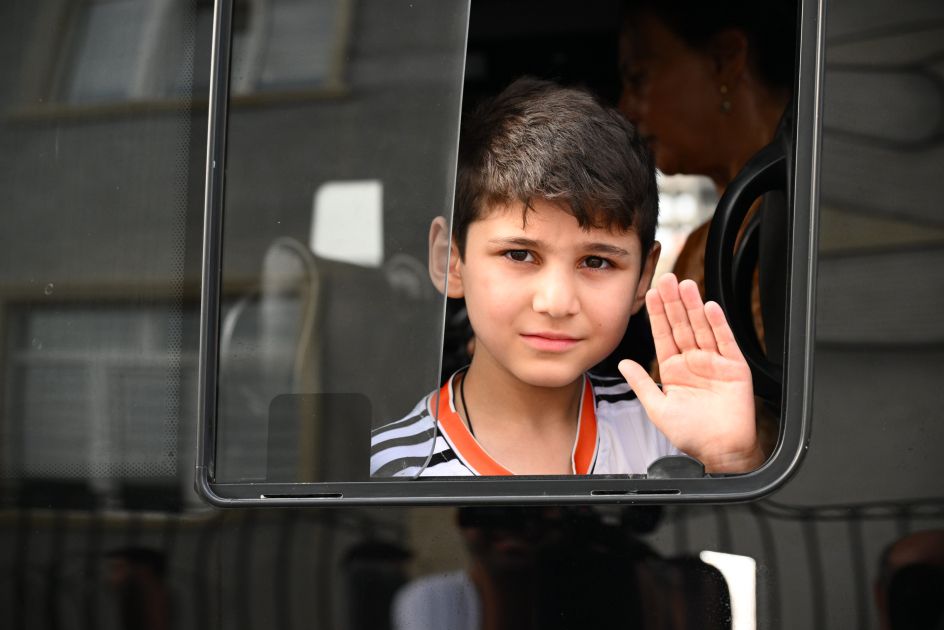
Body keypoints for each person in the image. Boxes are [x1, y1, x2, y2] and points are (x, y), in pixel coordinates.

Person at [370, 78, 762, 477]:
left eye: (596, 262)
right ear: (451, 260)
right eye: (519, 255)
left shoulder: (673, 434)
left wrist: (730, 461)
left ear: (643, 276)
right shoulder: (388, 470)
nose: (556, 303)